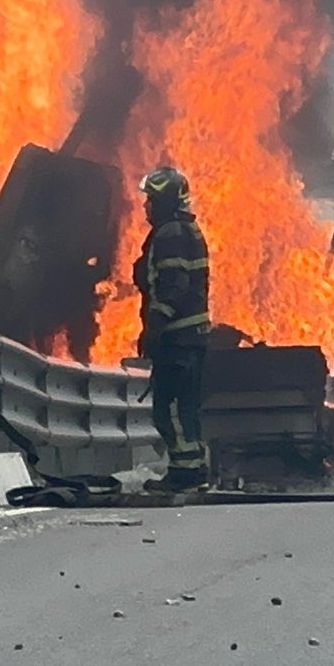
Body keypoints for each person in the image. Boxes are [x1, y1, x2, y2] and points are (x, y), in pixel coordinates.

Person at [133, 165, 212, 492]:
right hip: (189, 339)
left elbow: (172, 286)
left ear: (165, 201)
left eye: (151, 199)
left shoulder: (171, 234)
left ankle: (184, 474)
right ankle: (196, 470)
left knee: (172, 409)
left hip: (177, 339)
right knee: (186, 408)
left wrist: (155, 328)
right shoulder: (186, 230)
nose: (146, 205)